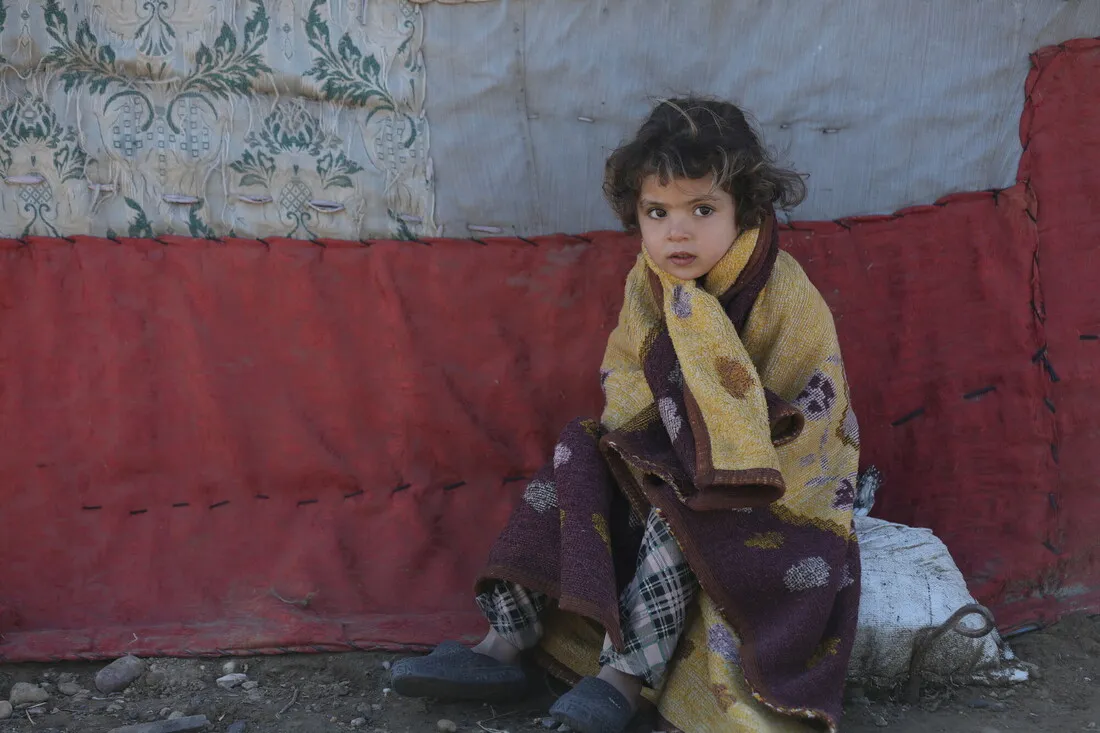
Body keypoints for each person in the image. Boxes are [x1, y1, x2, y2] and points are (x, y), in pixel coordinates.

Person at [392, 98, 862, 733]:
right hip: (670, 454)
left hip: (765, 485)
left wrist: (708, 449)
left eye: (702, 211)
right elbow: (627, 381)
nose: (677, 232)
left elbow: (809, 417)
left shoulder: (784, 297)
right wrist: (651, 445)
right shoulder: (649, 283)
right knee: (579, 452)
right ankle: (506, 642)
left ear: (746, 208)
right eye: (657, 212)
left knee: (682, 507)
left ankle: (623, 675)